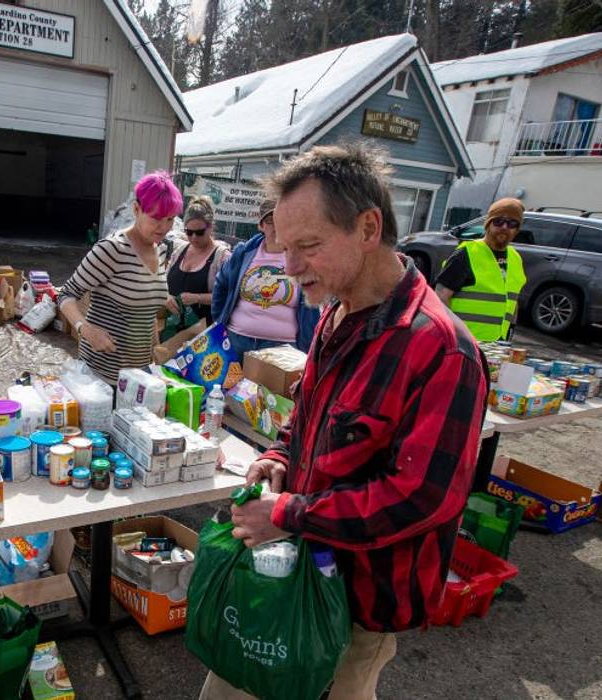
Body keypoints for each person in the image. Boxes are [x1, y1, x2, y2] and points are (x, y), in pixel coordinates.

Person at [201, 143, 488, 700]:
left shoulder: (443, 351)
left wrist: (290, 514)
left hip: (357, 606)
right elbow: (307, 415)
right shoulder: (338, 310)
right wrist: (278, 458)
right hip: (292, 567)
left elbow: (420, 498)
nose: (289, 268)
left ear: (368, 227)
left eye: (308, 246)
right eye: (284, 247)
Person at [56, 171, 180, 384]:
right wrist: (86, 330)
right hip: (101, 376)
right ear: (136, 209)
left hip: (137, 377)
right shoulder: (112, 249)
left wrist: (155, 364)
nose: (164, 227)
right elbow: (66, 294)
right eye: (156, 218)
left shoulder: (159, 251)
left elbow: (147, 315)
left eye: (170, 219)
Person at [210, 198, 321, 357]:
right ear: (260, 225)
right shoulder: (244, 253)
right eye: (270, 220)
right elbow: (221, 284)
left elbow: (314, 301)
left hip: (282, 349)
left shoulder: (303, 258)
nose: (276, 225)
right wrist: (220, 321)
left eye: (281, 219)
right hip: (237, 340)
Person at [434, 197, 527, 341]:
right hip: (465, 344)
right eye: (498, 221)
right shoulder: (466, 254)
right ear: (488, 224)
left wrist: (508, 339)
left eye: (512, 223)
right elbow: (441, 297)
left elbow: (512, 303)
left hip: (495, 347)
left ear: (516, 229)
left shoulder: (515, 259)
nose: (504, 227)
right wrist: (454, 337)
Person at [166, 196, 231, 325]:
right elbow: (162, 284)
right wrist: (166, 297)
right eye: (189, 232)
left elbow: (228, 296)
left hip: (204, 336)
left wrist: (197, 298)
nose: (194, 237)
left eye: (199, 232)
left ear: (211, 227)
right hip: (172, 330)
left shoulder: (222, 257)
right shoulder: (179, 251)